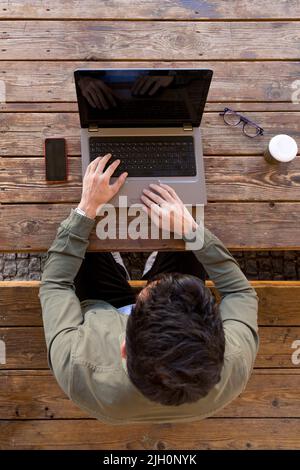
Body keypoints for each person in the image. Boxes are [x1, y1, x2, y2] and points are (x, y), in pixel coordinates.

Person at [39, 154, 259, 424]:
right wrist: (191, 229)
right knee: (189, 246)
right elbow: (240, 294)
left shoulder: (75, 364)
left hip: (104, 308)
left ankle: (117, 265)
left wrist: (86, 209)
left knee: (86, 252)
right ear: (217, 339)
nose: (156, 285)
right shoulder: (233, 361)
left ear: (123, 347)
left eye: (148, 295)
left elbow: (55, 284)